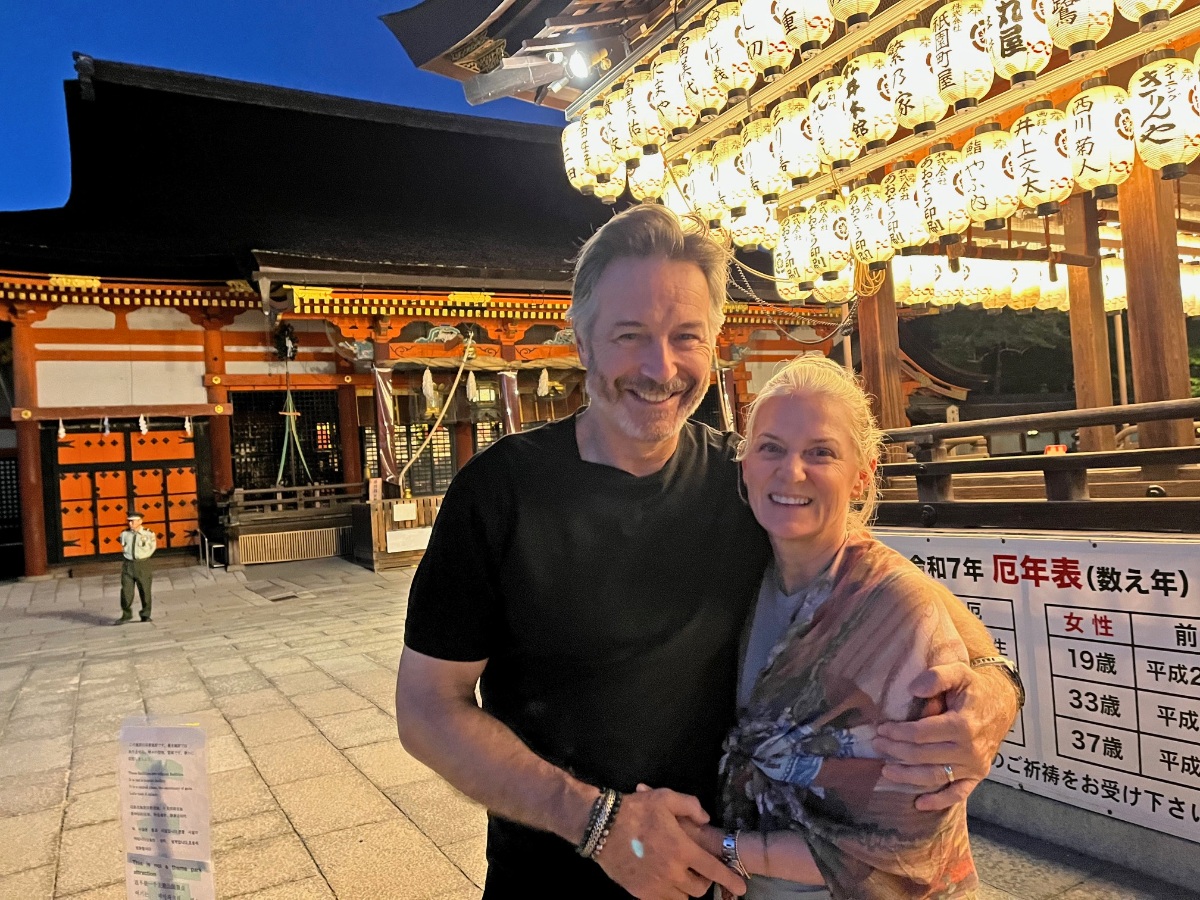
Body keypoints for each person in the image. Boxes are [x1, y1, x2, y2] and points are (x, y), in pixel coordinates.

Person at [395, 204, 1019, 900]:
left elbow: (884, 580)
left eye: (685, 337)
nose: (659, 367)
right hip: (552, 878)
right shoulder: (500, 493)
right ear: (582, 340)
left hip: (722, 880)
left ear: (715, 341)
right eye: (630, 335)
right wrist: (599, 824)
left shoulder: (746, 480)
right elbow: (427, 706)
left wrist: (995, 681)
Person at [680, 356, 990, 899]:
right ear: (745, 464)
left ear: (862, 474)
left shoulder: (896, 607)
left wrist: (713, 846)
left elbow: (904, 839)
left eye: (820, 453)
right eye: (771, 448)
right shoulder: (746, 574)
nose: (791, 472)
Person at [116, 512, 156, 624]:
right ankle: (126, 614)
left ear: (140, 521)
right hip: (128, 564)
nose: (130, 523)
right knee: (126, 591)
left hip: (142, 563)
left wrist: (143, 556)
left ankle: (145, 614)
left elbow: (152, 548)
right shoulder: (124, 534)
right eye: (129, 521)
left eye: (133, 521)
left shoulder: (148, 534)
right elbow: (123, 545)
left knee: (145, 590)